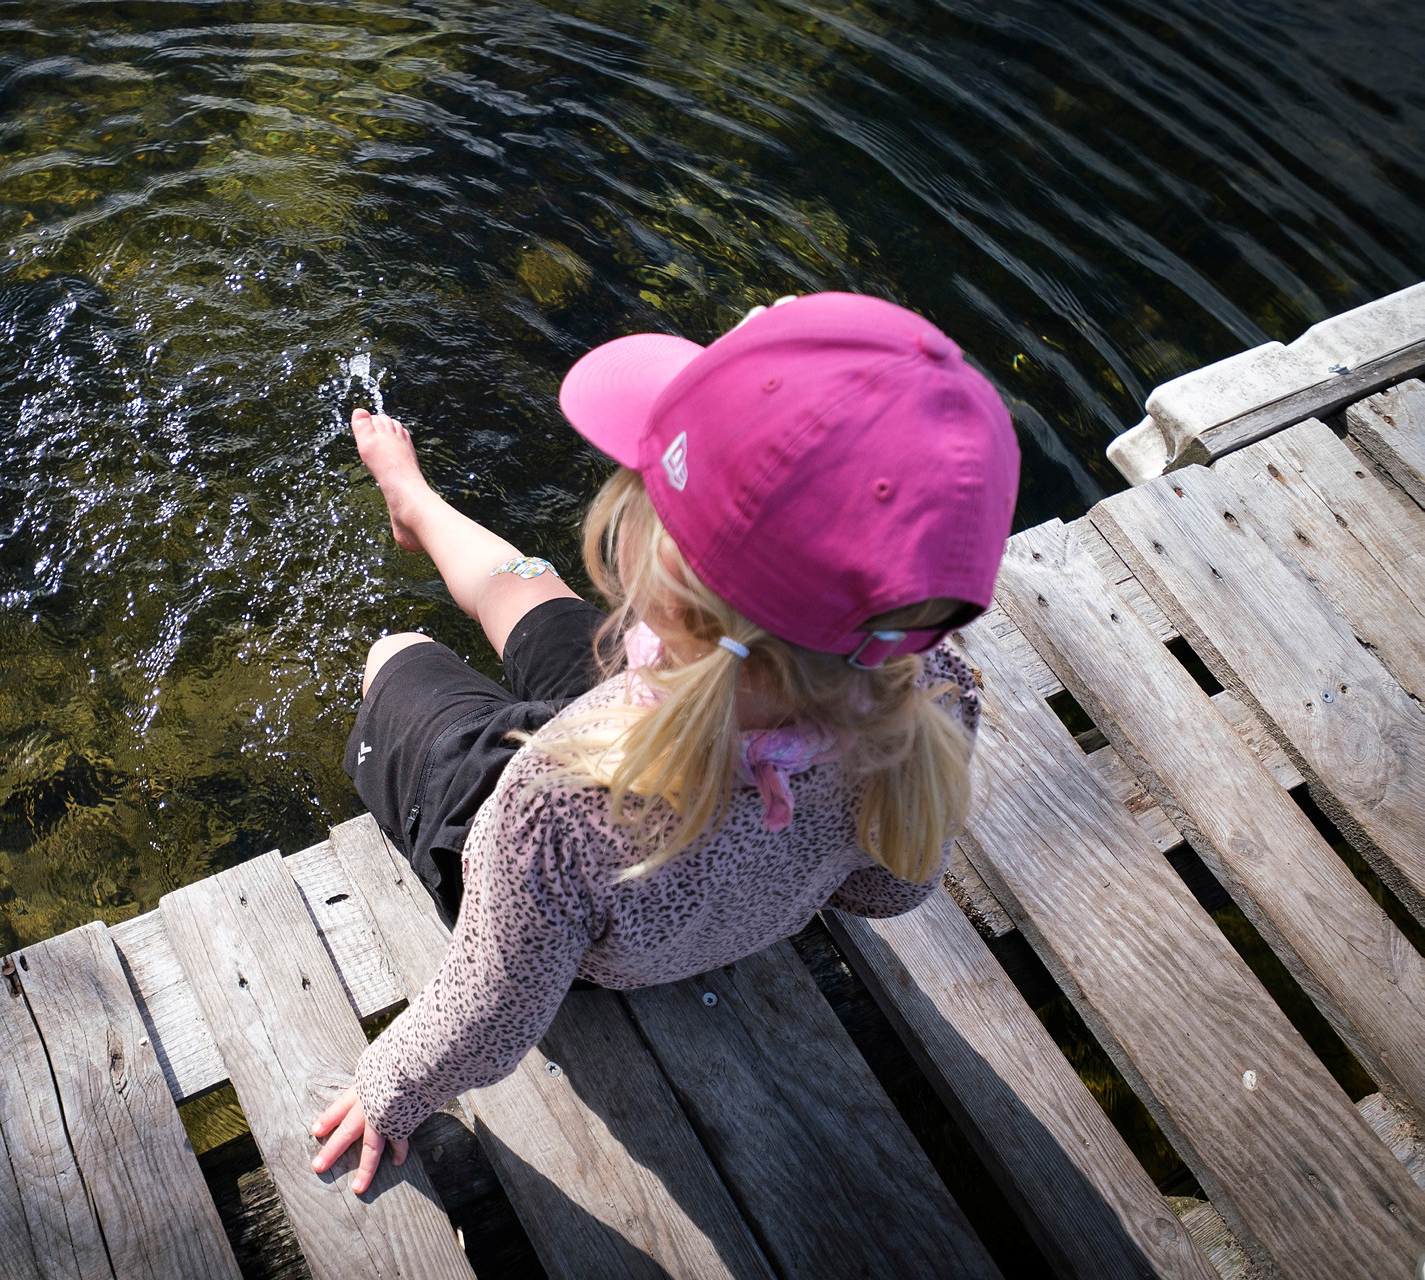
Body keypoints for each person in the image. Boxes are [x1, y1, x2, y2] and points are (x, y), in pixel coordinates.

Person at [310, 292, 1020, 1193]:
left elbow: (489, 1008)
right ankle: (413, 498)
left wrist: (390, 1088)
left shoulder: (554, 812)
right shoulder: (927, 700)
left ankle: (410, 557)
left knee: (398, 654)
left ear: (667, 585)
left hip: (591, 912)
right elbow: (886, 887)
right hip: (695, 717)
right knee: (543, 610)